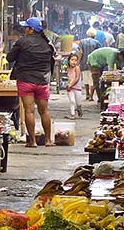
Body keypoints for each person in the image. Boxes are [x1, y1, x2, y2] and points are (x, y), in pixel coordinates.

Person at [7, 17, 55, 148]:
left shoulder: (22, 42)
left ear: (31, 29)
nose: (24, 29)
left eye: (26, 27)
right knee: (44, 111)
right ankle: (48, 140)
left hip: (25, 80)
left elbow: (9, 58)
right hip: (42, 81)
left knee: (29, 111)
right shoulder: (47, 44)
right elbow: (52, 62)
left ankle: (32, 141)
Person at [77, 29, 101, 101]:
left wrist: (78, 62)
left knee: (85, 79)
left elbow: (81, 52)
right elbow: (98, 54)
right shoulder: (96, 42)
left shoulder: (82, 41)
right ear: (94, 35)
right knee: (92, 80)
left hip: (84, 62)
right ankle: (91, 96)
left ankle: (87, 94)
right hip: (93, 63)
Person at [64, 53, 83, 120]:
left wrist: (71, 84)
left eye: (75, 60)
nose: (74, 62)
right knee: (72, 101)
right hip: (70, 88)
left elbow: (77, 78)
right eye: (72, 60)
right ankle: (72, 114)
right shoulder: (68, 69)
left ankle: (79, 108)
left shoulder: (77, 68)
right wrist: (69, 85)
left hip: (77, 88)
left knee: (78, 103)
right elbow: (69, 78)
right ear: (69, 60)